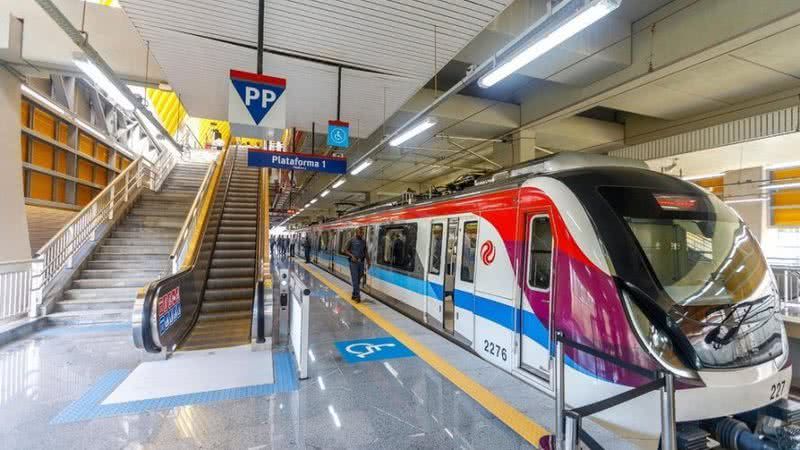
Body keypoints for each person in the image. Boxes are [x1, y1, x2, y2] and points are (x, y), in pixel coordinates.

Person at [343, 228, 370, 302]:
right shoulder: (351, 240)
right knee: (355, 279)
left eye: (363, 233)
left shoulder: (364, 241)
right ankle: (358, 296)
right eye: (360, 233)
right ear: (356, 233)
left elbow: (365, 252)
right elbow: (345, 250)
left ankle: (354, 294)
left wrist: (368, 261)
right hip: (353, 262)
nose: (362, 234)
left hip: (361, 262)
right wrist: (352, 256)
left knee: (358, 279)